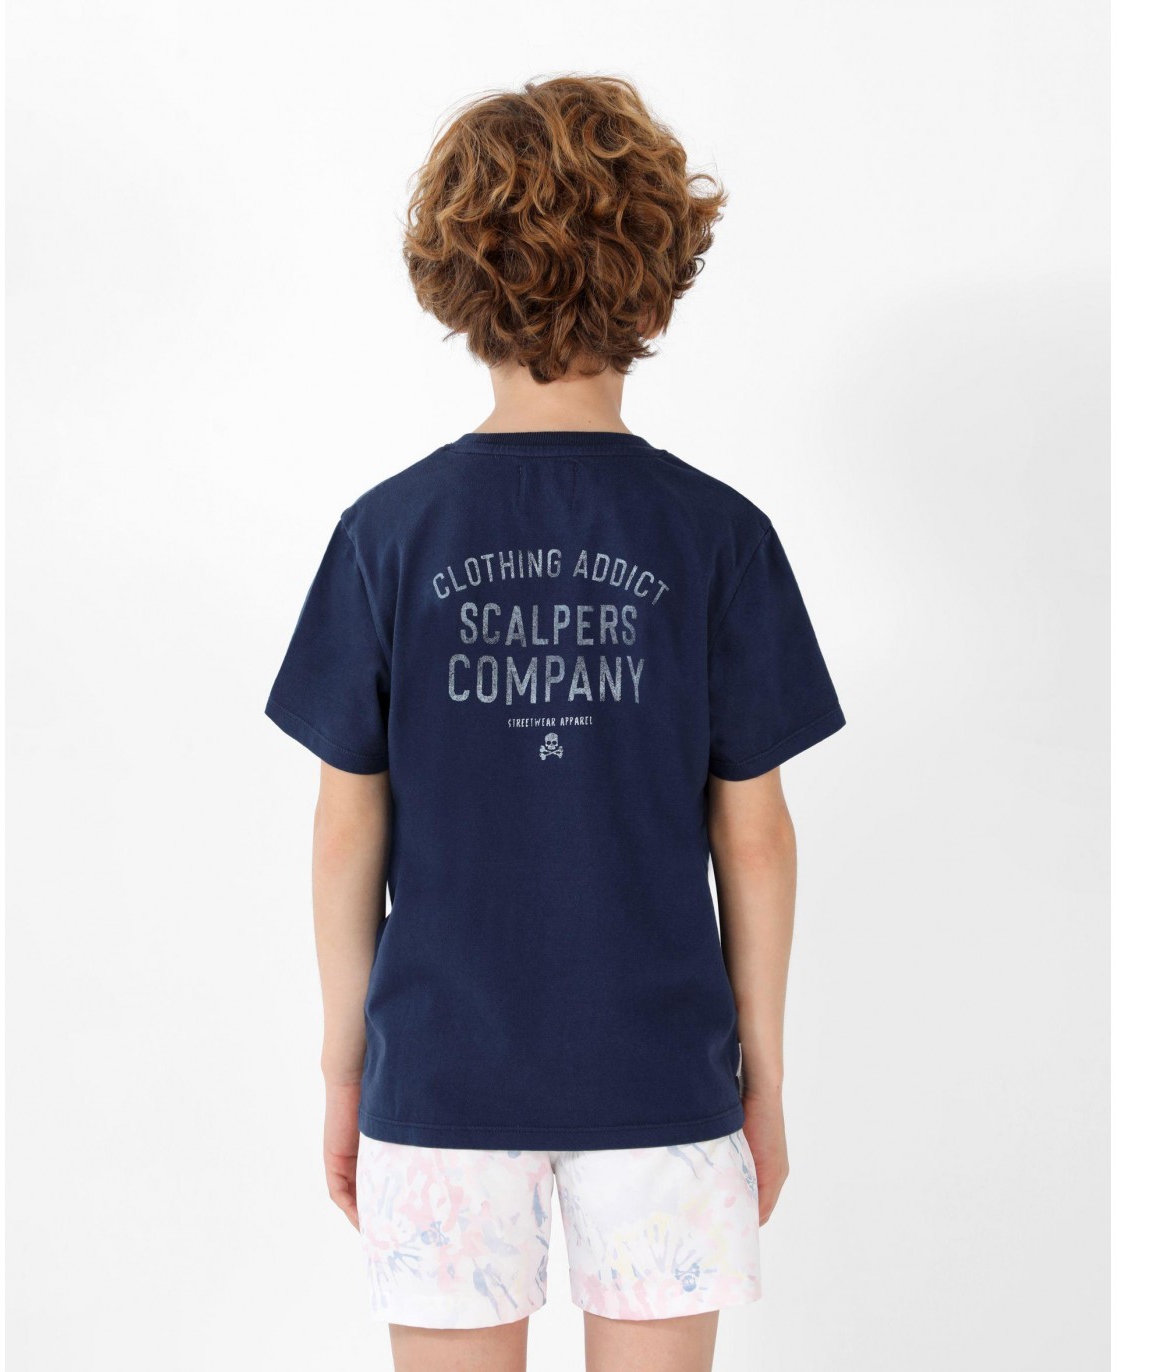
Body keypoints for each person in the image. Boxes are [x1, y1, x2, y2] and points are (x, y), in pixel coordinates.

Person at [265, 75, 845, 1372]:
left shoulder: (385, 537)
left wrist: (345, 1067)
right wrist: (762, 1075)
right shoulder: (719, 538)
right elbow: (755, 838)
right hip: (663, 1084)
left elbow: (345, 825)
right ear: (658, 285)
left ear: (453, 283)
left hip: (439, 1081)